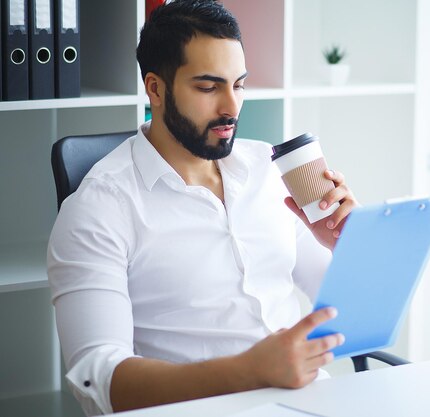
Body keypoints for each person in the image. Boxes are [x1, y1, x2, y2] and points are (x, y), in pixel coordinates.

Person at [47, 1, 358, 415]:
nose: (231, 107)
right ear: (155, 89)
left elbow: (346, 317)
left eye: (239, 84)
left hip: (311, 404)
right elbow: (98, 381)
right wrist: (250, 371)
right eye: (209, 88)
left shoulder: (267, 169)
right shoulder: (99, 208)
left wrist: (345, 246)